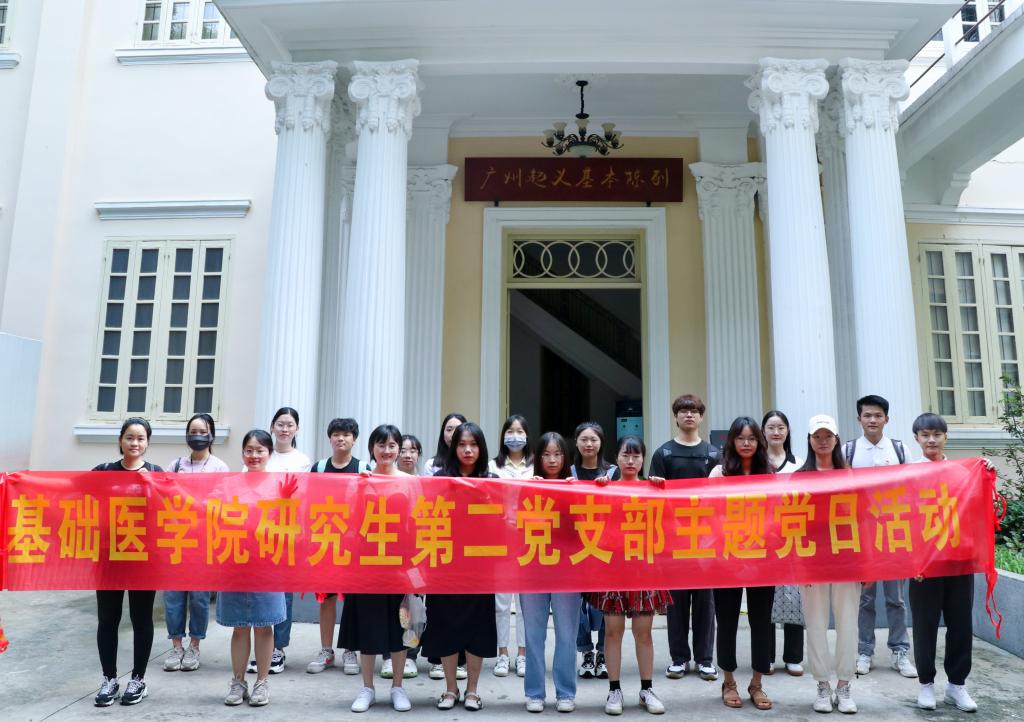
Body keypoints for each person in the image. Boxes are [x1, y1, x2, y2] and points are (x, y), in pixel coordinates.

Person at [586, 435, 672, 716]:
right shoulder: (606, 488)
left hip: (644, 570)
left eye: (636, 456)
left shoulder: (653, 489)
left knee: (643, 633)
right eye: (626, 455)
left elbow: (671, 520)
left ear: (643, 459)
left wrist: (662, 490)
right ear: (617, 458)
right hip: (612, 569)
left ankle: (647, 689)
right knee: (613, 632)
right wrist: (598, 490)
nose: (631, 461)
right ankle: (614, 690)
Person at [421, 422, 498, 711]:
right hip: (445, 564)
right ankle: (450, 688)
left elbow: (504, 519)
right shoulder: (440, 479)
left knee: (477, 626)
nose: (468, 450)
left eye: (473, 444)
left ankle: (473, 690)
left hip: (480, 565)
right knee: (446, 625)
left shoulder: (492, 480)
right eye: (462, 444)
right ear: (453, 448)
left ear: (481, 448)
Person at [338, 424, 414, 713]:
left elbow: (418, 522)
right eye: (381, 445)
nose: (387, 451)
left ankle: (397, 687)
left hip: (399, 564)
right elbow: (348, 520)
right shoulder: (361, 481)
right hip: (367, 565)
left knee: (400, 626)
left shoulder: (410, 481)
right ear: (372, 448)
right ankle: (367, 687)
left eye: (392, 445)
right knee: (368, 627)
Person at [909, 413, 980, 712]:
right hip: (924, 566)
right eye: (925, 435)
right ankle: (926, 684)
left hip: (959, 561)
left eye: (937, 434)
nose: (932, 440)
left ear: (946, 437)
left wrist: (985, 472)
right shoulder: (909, 475)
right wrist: (912, 561)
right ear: (916, 438)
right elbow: (903, 521)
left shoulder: (962, 473)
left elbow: (976, 510)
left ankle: (956, 685)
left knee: (961, 624)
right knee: (924, 626)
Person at [844, 395, 917, 678]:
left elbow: (913, 488)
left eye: (877, 415)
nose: (872, 420)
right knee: (865, 598)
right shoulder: (849, 450)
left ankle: (900, 651)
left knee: (896, 598)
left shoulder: (899, 449)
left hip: (894, 533)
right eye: (867, 415)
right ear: (859, 419)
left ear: (886, 419)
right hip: (862, 535)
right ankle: (865, 651)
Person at [92, 418, 163, 707]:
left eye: (141, 438)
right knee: (108, 620)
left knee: (141, 619)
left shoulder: (156, 473)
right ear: (120, 440)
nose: (135, 443)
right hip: (109, 558)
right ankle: (109, 679)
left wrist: (152, 488)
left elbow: (172, 509)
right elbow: (76, 497)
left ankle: (138, 679)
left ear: (148, 443)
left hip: (143, 559)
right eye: (130, 437)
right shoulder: (103, 472)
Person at [649, 394, 719, 682]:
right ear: (675, 417)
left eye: (694, 411)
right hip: (673, 540)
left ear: (701, 417)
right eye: (683, 411)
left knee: (705, 602)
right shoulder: (663, 453)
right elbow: (654, 498)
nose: (689, 415)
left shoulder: (713, 454)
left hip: (705, 540)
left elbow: (720, 499)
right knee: (676, 603)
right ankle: (679, 659)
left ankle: (705, 660)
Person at [218, 429, 289, 707]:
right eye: (249, 450)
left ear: (269, 453)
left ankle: (262, 682)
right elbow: (212, 512)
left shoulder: (280, 484)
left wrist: (287, 501)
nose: (254, 455)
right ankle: (238, 682)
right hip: (234, 562)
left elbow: (293, 520)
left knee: (263, 625)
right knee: (239, 627)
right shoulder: (230, 484)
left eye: (260, 450)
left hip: (267, 565)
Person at [708, 417, 775, 711]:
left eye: (751, 438)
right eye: (740, 438)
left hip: (762, 558)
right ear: (731, 441)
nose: (746, 443)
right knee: (727, 621)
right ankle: (729, 681)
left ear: (759, 442)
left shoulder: (769, 473)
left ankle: (757, 683)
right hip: (727, 558)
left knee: (762, 622)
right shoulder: (719, 472)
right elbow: (708, 512)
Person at [797, 414, 859, 714]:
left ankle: (844, 685)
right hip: (812, 561)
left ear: (836, 439)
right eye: (817, 436)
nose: (823, 441)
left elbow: (863, 520)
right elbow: (791, 523)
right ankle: (822, 685)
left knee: (848, 622)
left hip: (847, 559)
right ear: (810, 440)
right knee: (816, 624)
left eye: (828, 436)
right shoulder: (800, 477)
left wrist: (866, 565)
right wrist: (799, 564)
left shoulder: (851, 476)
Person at [246, 406, 312, 676]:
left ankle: (278, 648)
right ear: (272, 427)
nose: (285, 429)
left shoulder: (302, 460)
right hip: (257, 534)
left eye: (290, 424)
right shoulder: (261, 454)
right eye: (280, 424)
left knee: (283, 592)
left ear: (297, 429)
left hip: (286, 533)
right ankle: (261, 649)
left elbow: (303, 498)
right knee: (259, 590)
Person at [162, 413, 230, 673]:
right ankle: (176, 645)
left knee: (199, 597)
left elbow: (221, 503)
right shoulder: (175, 465)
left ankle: (194, 645)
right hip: (177, 539)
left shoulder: (220, 468)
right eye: (193, 431)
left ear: (211, 435)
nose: (197, 436)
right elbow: (165, 498)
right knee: (173, 596)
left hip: (204, 541)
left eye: (202, 431)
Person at [520, 431, 581, 713]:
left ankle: (565, 692)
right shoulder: (528, 486)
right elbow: (516, 525)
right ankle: (534, 692)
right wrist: (529, 492)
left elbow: (586, 527)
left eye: (558, 454)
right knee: (534, 633)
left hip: (567, 570)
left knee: (567, 633)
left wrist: (575, 494)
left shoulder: (575, 486)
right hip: (533, 568)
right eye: (546, 454)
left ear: (565, 457)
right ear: (538, 458)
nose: (552, 460)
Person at [306, 418, 368, 677]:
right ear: (329, 438)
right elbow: (308, 501)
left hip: (354, 544)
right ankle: (326, 650)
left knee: (353, 600)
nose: (341, 438)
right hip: (327, 541)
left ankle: (350, 649)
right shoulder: (319, 468)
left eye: (346, 434)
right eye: (336, 434)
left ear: (354, 439)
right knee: (327, 598)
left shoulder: (363, 468)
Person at [570, 421, 617, 679]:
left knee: (604, 603)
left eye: (594, 439)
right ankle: (586, 652)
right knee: (577, 603)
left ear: (601, 442)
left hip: (605, 549)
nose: (589, 444)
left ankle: (603, 654)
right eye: (584, 439)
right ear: (576, 442)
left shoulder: (613, 472)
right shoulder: (569, 473)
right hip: (576, 549)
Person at [761, 410, 805, 677]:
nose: (776, 432)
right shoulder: (757, 463)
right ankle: (765, 655)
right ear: (763, 431)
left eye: (781, 427)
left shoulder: (799, 463)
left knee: (794, 596)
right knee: (764, 597)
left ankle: (793, 656)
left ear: (788, 431)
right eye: (771, 427)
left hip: (792, 537)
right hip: (763, 539)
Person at [489, 414, 532, 678]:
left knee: (526, 602)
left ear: (527, 435)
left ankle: (523, 654)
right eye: (510, 431)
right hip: (501, 539)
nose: (515, 436)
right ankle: (503, 653)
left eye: (520, 431)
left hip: (530, 540)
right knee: (502, 602)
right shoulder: (492, 465)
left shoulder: (536, 466)